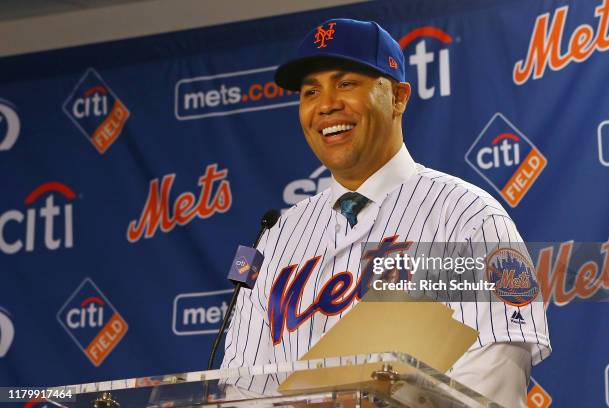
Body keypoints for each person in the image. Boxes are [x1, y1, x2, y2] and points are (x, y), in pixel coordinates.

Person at [221, 18, 550, 407]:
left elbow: (493, 373)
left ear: (398, 97)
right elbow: (240, 388)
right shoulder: (277, 238)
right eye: (311, 91)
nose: (326, 105)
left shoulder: (466, 217)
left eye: (346, 84)